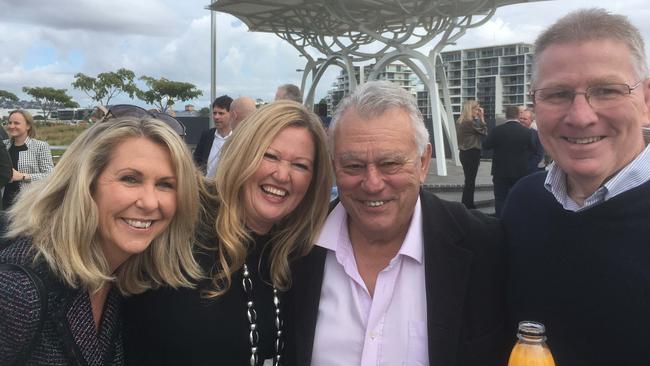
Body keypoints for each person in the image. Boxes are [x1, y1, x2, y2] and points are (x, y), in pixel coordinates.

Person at [286, 81, 508, 366]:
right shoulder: (296, 248)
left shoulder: (486, 247)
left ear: (424, 162)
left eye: (390, 163)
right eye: (353, 166)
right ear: (333, 165)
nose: (373, 183)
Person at [122, 100, 333, 366]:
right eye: (269, 156)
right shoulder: (180, 222)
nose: (282, 175)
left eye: (300, 165)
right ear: (243, 153)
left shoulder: (298, 254)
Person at [503, 8, 650, 365]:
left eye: (606, 90)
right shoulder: (525, 202)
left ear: (646, 100)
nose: (581, 115)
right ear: (534, 103)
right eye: (557, 94)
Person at [0, 115, 203, 365]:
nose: (150, 202)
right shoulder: (18, 290)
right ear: (85, 183)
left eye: (165, 184)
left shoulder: (127, 276)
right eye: (130, 179)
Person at [482, 105, 534, 216]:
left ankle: (501, 222)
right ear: (518, 115)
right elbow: (532, 149)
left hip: (500, 171)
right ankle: (516, 219)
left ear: (506, 115)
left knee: (500, 198)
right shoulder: (527, 132)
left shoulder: (497, 130)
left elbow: (486, 145)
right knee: (518, 197)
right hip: (520, 171)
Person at [3, 110, 54, 209]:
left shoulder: (40, 146)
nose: (12, 126)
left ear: (28, 126)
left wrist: (22, 176)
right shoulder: (3, 146)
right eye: (10, 123)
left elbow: (50, 175)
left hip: (29, 204)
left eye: (16, 123)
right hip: (4, 203)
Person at [456, 100, 488, 208]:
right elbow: (484, 132)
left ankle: (467, 202)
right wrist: (482, 117)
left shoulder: (460, 121)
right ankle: (468, 204)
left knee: (469, 180)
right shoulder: (470, 122)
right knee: (470, 181)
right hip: (472, 152)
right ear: (471, 109)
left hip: (464, 153)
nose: (478, 111)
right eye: (476, 109)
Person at [193, 95, 233, 178]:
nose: (216, 117)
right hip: (205, 188)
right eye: (214, 113)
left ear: (231, 114)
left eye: (221, 113)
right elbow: (196, 162)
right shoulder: (207, 135)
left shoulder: (238, 138)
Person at [518, 107, 545, 173]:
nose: (522, 120)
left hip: (530, 170)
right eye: (521, 118)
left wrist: (527, 166)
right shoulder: (513, 132)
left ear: (531, 120)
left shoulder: (537, 134)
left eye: (525, 119)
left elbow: (539, 154)